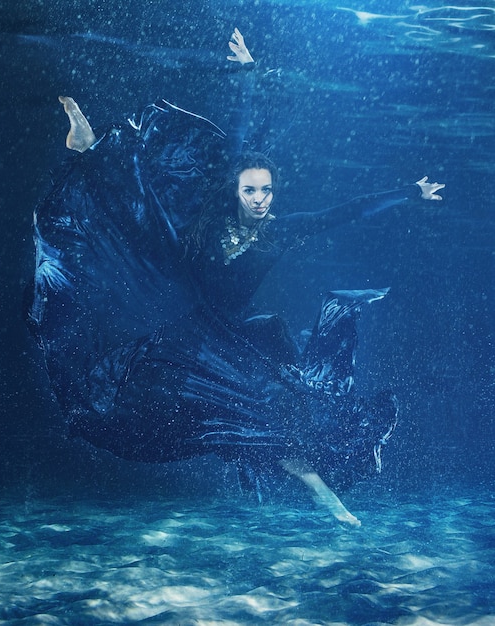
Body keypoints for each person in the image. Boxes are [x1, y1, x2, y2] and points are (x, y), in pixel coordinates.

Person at [27, 29, 444, 526]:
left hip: (227, 339)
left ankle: (325, 500)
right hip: (174, 310)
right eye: (250, 190)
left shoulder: (281, 232)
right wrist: (246, 73)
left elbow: (343, 212)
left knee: (270, 414)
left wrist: (408, 192)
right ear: (237, 191)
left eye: (267, 190)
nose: (259, 198)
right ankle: (89, 148)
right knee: (136, 226)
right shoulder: (214, 215)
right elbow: (247, 138)